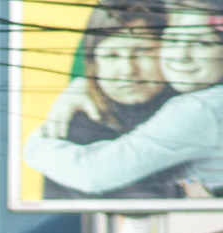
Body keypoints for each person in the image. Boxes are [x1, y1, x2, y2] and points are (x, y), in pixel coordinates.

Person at [26, 0, 223, 198]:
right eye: (175, 39)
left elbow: (93, 173)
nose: (182, 55)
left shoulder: (201, 108)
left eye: (202, 44)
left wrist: (36, 144)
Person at [41, 2, 182, 199]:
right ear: (93, 64)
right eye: (111, 55)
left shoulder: (197, 108)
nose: (128, 70)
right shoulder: (76, 128)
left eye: (142, 50)